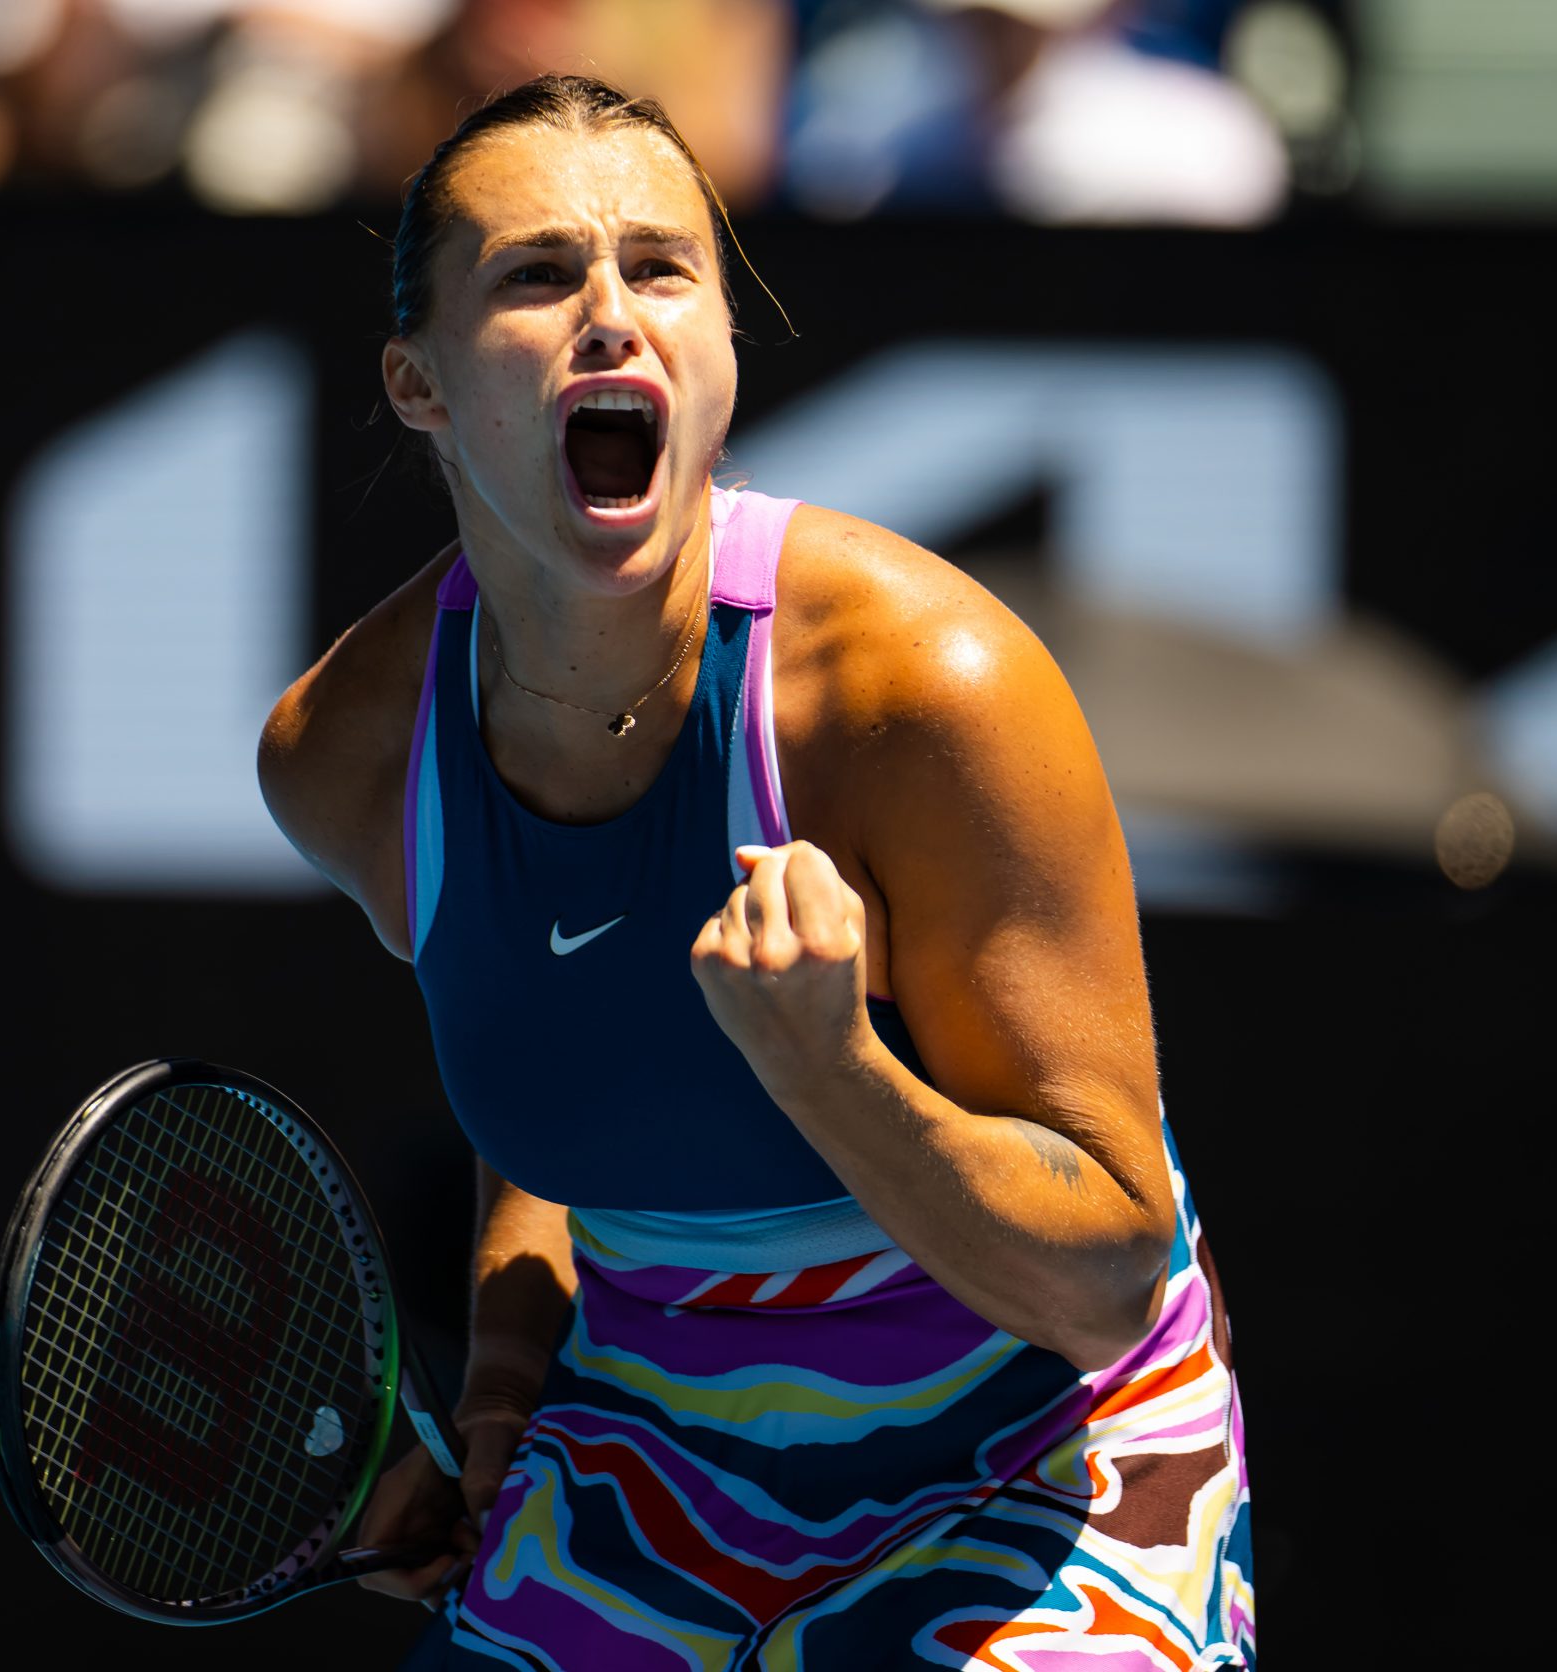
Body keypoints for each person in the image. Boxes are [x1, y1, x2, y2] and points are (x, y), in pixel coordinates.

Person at [259, 73, 1252, 1669]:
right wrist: (507, 1390)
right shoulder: (348, 761)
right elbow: (565, 1094)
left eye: (662, 270)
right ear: (418, 382)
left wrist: (836, 1070)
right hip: (650, 1450)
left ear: (721, 357)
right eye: (534, 275)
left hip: (1031, 1451)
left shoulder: (922, 687)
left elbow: (1104, 1278)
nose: (609, 316)